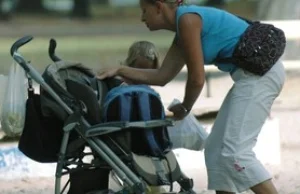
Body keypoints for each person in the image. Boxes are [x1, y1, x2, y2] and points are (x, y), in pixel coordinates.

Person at [97, 0, 285, 194]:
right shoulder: (183, 30)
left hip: (261, 77)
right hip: (251, 77)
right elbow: (163, 76)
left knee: (235, 154)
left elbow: (197, 79)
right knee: (215, 149)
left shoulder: (188, 21)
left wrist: (185, 108)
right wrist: (120, 69)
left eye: (145, 10)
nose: (142, 17)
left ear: (159, 7)